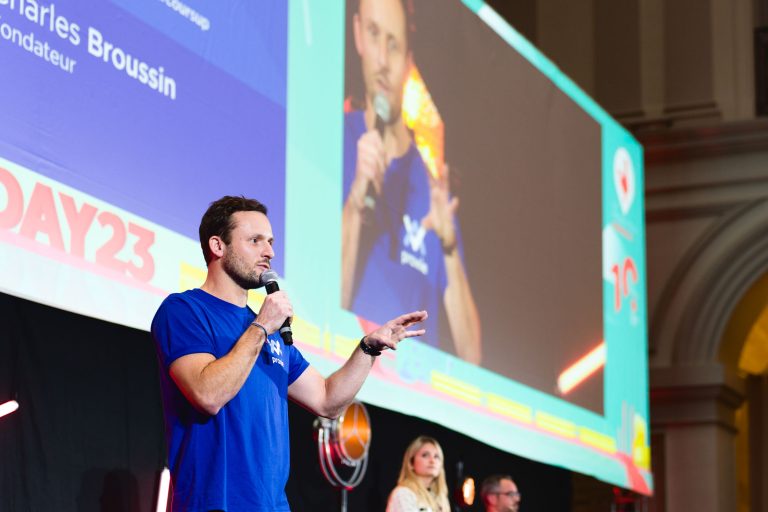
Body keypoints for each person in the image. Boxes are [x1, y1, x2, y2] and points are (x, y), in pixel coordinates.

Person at [151, 196, 427, 511]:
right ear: (217, 246)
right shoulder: (185, 310)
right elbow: (208, 394)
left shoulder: (269, 331)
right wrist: (260, 328)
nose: (269, 252)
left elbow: (327, 400)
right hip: (214, 503)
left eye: (270, 242)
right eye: (255, 241)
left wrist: (368, 348)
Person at [341, 0, 482, 364]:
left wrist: (449, 249)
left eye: (394, 44)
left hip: (411, 396)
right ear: (357, 34)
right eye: (373, 34)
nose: (383, 59)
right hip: (344, 376)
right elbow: (322, 301)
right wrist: (357, 202)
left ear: (408, 59)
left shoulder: (431, 185)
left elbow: (471, 354)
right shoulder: (336, 138)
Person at [386, 435, 451, 512]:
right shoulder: (403, 493)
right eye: (425, 455)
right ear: (411, 462)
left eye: (436, 456)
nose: (432, 461)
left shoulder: (441, 498)